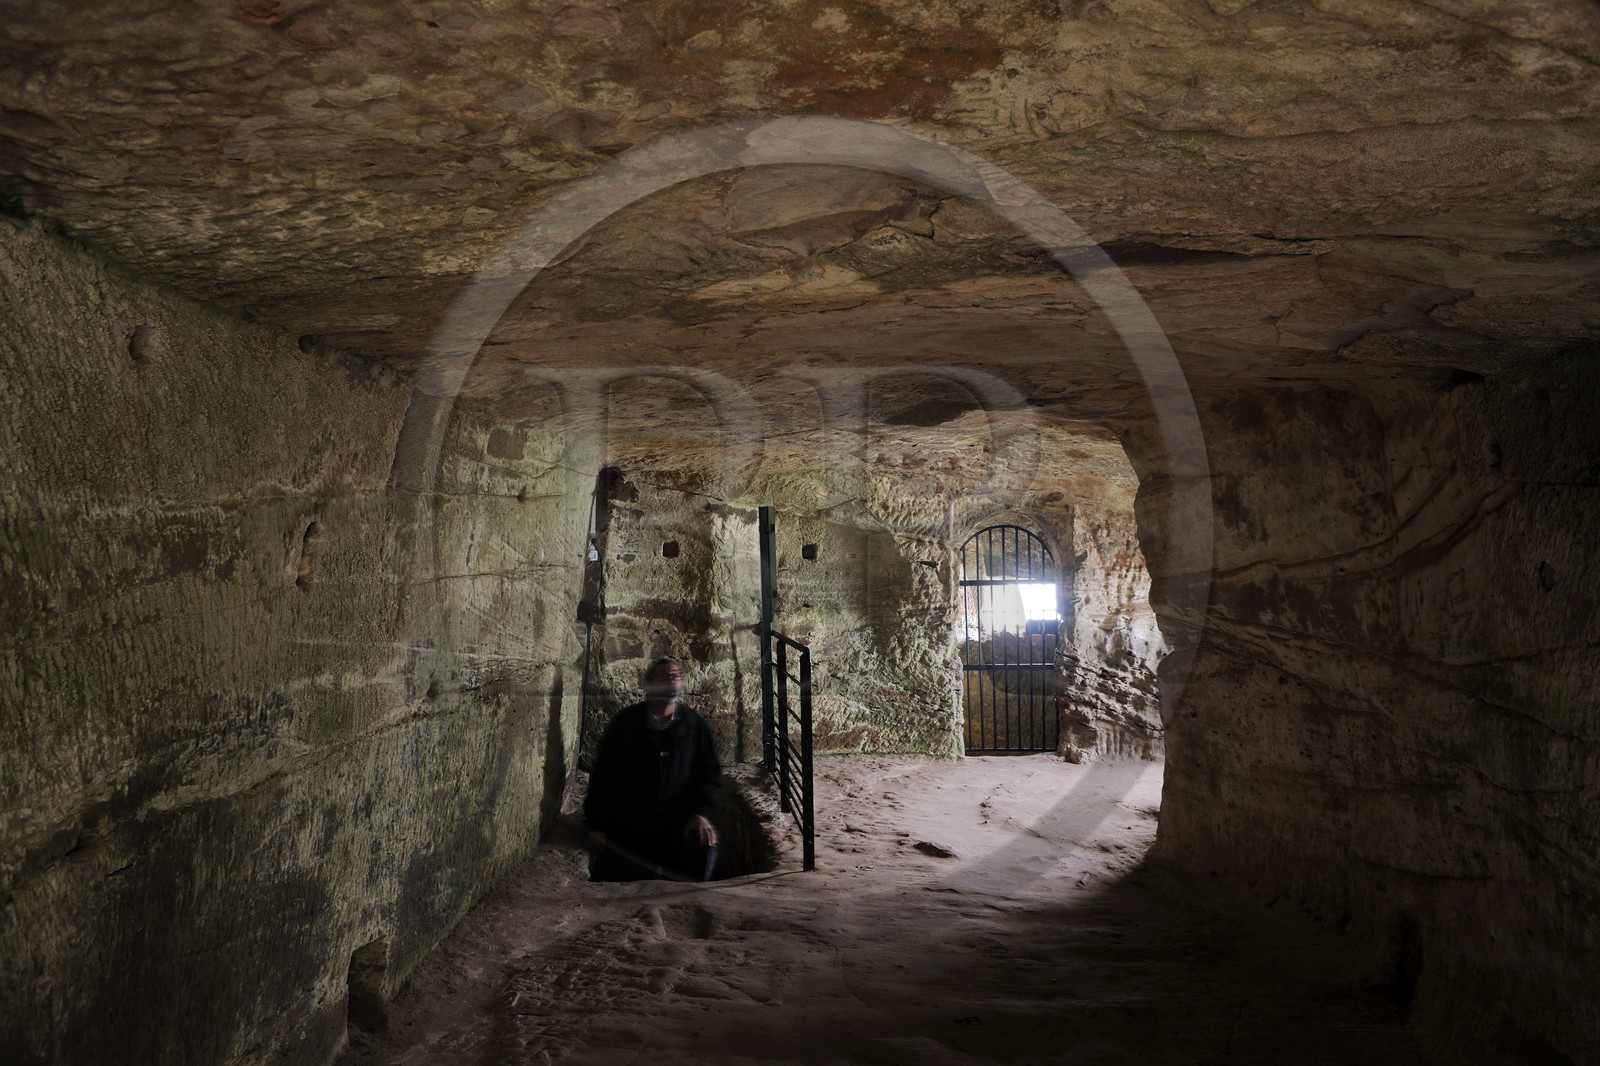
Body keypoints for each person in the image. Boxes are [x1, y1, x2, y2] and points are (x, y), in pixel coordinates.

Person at [583, 658, 722, 881]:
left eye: (676, 675)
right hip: (630, 829)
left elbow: (708, 774)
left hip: (677, 828)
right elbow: (604, 774)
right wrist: (595, 823)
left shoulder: (694, 725)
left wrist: (700, 813)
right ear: (648, 685)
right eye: (663, 676)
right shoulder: (625, 723)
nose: (672, 680)